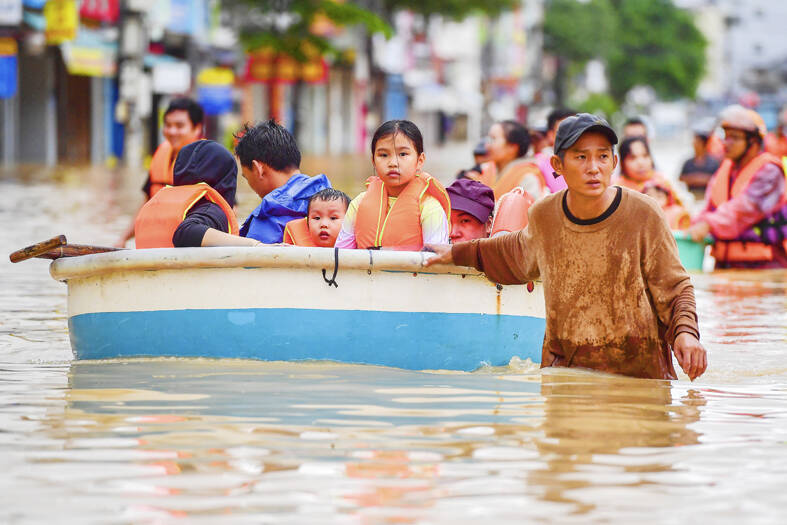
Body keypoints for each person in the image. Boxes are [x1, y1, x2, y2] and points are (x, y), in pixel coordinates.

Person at [425, 113, 707, 381]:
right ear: (557, 165)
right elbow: (513, 252)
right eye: (581, 157)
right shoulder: (545, 214)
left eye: (602, 156)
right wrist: (456, 253)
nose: (593, 167)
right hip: (568, 374)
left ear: (614, 162)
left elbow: (675, 287)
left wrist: (686, 334)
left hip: (639, 375)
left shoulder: (645, 213)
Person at [689, 105, 787, 268]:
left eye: (734, 138)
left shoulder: (770, 172)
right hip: (725, 264)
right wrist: (694, 225)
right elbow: (708, 209)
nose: (726, 143)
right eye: (726, 137)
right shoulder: (723, 171)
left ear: (753, 142)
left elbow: (745, 209)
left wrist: (707, 224)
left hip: (766, 265)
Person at [335, 120, 450, 250]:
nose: (393, 163)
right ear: (373, 161)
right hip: (365, 271)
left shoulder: (430, 208)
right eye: (383, 155)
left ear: (420, 160)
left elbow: (436, 260)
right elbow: (340, 255)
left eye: (403, 154)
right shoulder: (358, 204)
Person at [134, 140, 263, 248]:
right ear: (226, 180)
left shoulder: (162, 206)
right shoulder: (211, 210)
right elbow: (186, 232)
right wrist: (253, 244)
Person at [116, 98, 205, 247]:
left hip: (189, 245)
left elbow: (229, 208)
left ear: (197, 128)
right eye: (168, 125)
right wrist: (123, 239)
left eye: (179, 126)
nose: (172, 131)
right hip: (158, 244)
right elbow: (147, 204)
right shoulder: (161, 155)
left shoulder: (209, 160)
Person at [235, 120, 331, 244]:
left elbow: (252, 262)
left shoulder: (266, 220)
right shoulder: (337, 205)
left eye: (247, 177)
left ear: (258, 168)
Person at [470, 120, 546, 200]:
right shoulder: (488, 168)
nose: (487, 145)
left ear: (512, 147)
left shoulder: (528, 178)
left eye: (493, 139)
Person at [282, 188, 350, 247]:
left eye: (333, 218)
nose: (324, 224)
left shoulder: (355, 245)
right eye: (317, 218)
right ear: (308, 222)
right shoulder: (294, 242)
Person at [534, 108, 577, 193]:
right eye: (564, 132)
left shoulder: (591, 163)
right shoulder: (538, 164)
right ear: (551, 135)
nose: (572, 136)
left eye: (576, 131)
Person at [679, 122, 722, 196]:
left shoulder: (714, 163)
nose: (694, 144)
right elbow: (680, 178)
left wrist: (703, 179)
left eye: (697, 141)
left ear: (704, 144)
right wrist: (693, 178)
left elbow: (719, 180)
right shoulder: (688, 162)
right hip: (691, 196)